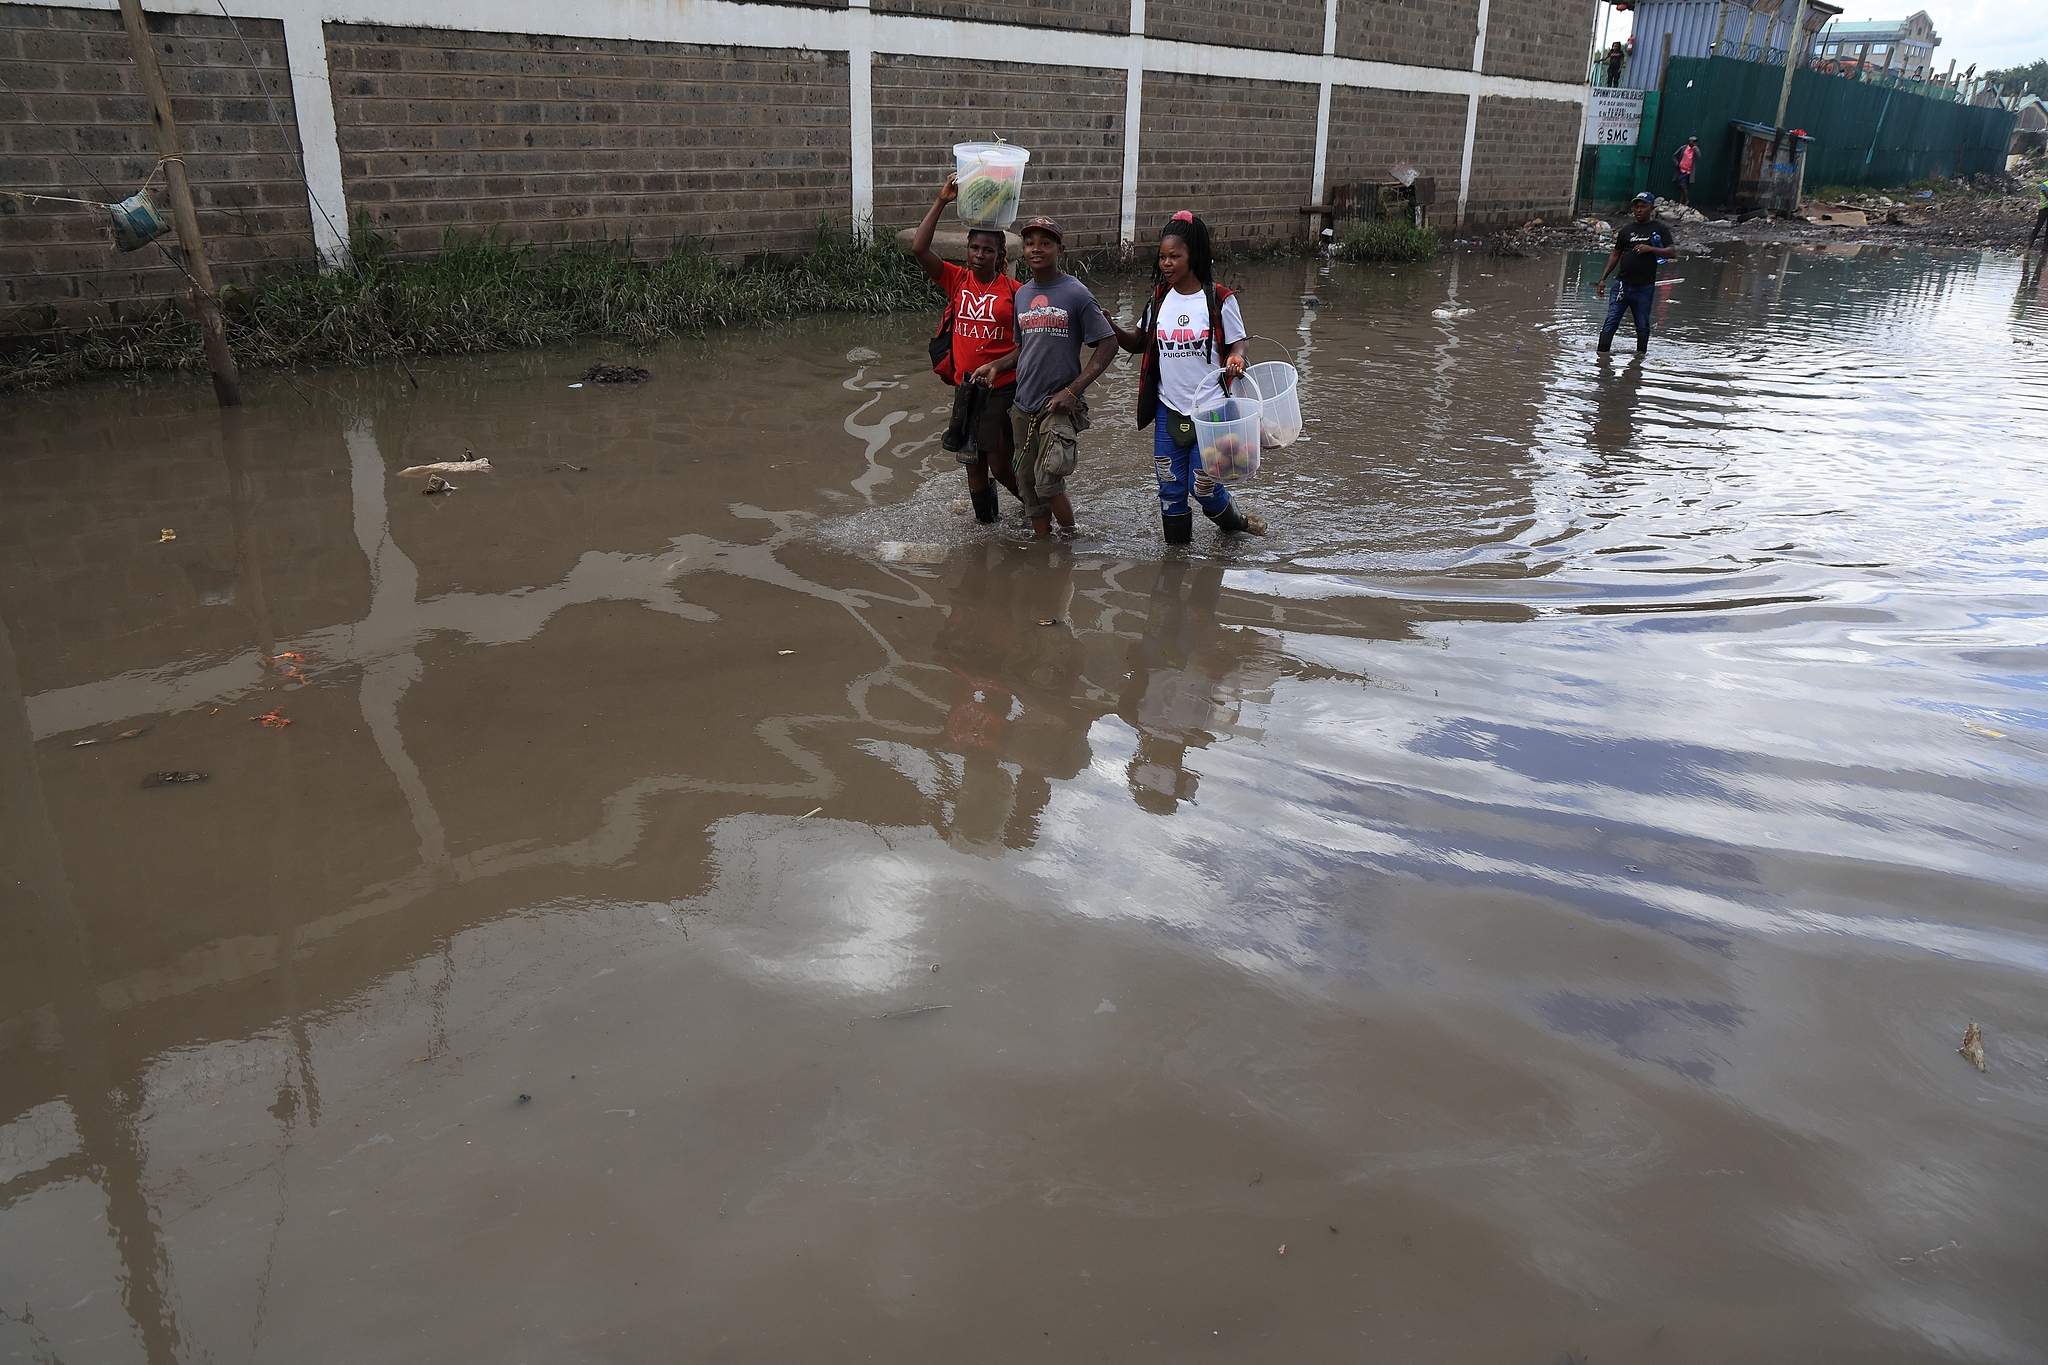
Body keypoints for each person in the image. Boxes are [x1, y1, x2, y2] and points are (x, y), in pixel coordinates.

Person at [1113, 210, 1266, 543]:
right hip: (1169, 409)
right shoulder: (1158, 300)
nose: (1167, 264)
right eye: (1163, 257)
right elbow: (1139, 341)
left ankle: (1238, 526)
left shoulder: (1219, 300)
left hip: (1212, 413)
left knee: (1204, 487)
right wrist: (1109, 326)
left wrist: (1237, 356)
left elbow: (1238, 341)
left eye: (1175, 256)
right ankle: (1176, 561)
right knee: (1170, 489)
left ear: (1193, 256)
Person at [981, 216, 1119, 538]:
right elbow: (1023, 349)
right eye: (1030, 243)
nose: (1036, 249)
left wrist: (1073, 392)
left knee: (1049, 480)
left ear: (1061, 249)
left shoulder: (1076, 293)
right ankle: (1043, 544)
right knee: (1027, 485)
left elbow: (1108, 342)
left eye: (1045, 243)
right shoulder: (1022, 295)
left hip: (1058, 406)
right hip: (1023, 405)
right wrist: (996, 366)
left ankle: (1071, 537)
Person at [910, 174, 1019, 524]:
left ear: (999, 254)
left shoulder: (1016, 291)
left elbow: (1029, 344)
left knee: (1001, 466)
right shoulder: (957, 280)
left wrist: (1000, 366)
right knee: (972, 463)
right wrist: (942, 200)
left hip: (1002, 388)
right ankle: (987, 527)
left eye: (988, 250)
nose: (979, 255)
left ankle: (1037, 506)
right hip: (966, 388)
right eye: (974, 248)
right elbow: (919, 249)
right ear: (967, 249)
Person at [1594, 191, 1678, 354]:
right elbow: (1615, 254)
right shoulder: (1626, 231)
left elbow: (1672, 252)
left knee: (1642, 325)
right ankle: (1601, 358)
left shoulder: (1660, 230)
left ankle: (1639, 361)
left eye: (1643, 207)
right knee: (1611, 321)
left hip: (1644, 287)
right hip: (1622, 286)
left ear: (1652, 208)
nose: (1639, 210)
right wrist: (1603, 279)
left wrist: (1651, 249)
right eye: (1637, 207)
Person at [1672, 136, 1699, 205]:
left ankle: (1682, 202)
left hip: (1689, 171)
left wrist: (1695, 149)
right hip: (1682, 169)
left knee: (1684, 186)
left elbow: (1699, 156)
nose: (1694, 143)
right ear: (1690, 141)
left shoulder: (1695, 150)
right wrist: (1677, 163)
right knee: (1683, 186)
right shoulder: (1683, 148)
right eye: (1693, 142)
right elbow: (1674, 155)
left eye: (1695, 142)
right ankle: (1686, 200)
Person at [2029, 179, 2048, 253]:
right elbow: (2047, 195)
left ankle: (2045, 248)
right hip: (2044, 209)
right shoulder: (2045, 184)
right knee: (2038, 226)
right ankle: (2029, 245)